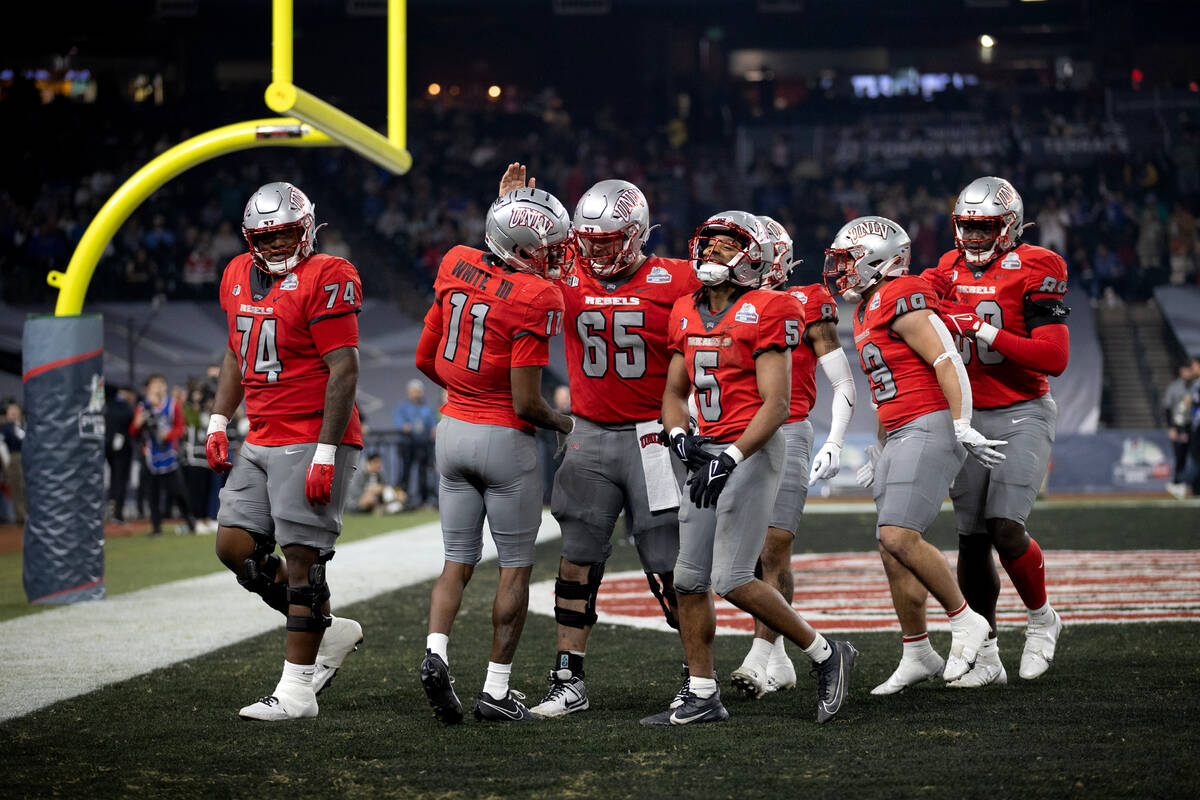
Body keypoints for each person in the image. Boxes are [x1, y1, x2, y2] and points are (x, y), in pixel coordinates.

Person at [497, 165, 702, 718]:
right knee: (576, 558)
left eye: (610, 241)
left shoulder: (678, 277)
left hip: (653, 438)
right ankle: (569, 679)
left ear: (637, 233)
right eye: (588, 242)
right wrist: (514, 210)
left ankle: (697, 677)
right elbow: (513, 261)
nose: (597, 252)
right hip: (587, 433)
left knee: (669, 563)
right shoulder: (565, 275)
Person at [644, 210, 856, 727]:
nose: (712, 250)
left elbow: (778, 404)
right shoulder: (683, 310)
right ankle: (702, 693)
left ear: (753, 256)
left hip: (753, 450)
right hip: (706, 450)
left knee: (733, 577)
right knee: (689, 580)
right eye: (709, 242)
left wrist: (730, 457)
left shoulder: (772, 306)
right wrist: (678, 436)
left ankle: (828, 654)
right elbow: (673, 392)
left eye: (726, 244)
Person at [204, 182, 365, 721]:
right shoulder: (233, 274)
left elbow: (344, 369)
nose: (276, 245)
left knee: (302, 560)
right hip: (262, 434)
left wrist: (326, 451)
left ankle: (297, 691)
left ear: (308, 228)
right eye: (266, 236)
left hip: (311, 434)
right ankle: (327, 626)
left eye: (286, 234)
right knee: (233, 547)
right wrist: (218, 420)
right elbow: (234, 350)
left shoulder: (328, 274)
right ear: (252, 237)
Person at [415, 187, 574, 724]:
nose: (554, 257)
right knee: (513, 570)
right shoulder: (537, 296)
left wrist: (466, 392)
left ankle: (435, 653)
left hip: (452, 430)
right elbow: (529, 403)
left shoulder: (456, 260)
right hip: (505, 439)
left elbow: (425, 357)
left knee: (455, 563)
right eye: (546, 247)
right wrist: (562, 422)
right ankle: (496, 691)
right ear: (521, 247)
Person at [822, 215, 994, 696]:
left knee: (900, 536)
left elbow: (945, 359)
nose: (841, 269)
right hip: (898, 429)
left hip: (929, 423)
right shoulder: (866, 308)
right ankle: (918, 650)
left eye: (848, 260)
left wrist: (961, 422)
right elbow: (884, 390)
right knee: (889, 545)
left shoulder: (900, 293)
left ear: (879, 259)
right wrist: (877, 445)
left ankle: (966, 621)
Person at [920, 177, 1070, 687]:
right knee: (971, 539)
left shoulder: (1039, 265)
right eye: (967, 226)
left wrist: (982, 329)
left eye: (985, 227)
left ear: (1008, 225)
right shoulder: (944, 268)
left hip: (1022, 409)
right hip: (966, 415)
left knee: (1006, 527)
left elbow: (1055, 357)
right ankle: (985, 653)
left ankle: (1042, 619)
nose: (974, 237)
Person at [729, 216, 857, 699]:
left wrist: (836, 440)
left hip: (788, 429)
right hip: (733, 434)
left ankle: (762, 655)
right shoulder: (722, 302)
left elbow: (842, 380)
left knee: (774, 547)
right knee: (737, 558)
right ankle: (779, 658)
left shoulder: (807, 301)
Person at [130, 374, 196, 537]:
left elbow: (181, 428)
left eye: (161, 384)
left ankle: (190, 521)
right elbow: (133, 431)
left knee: (179, 491)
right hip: (151, 456)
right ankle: (156, 527)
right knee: (152, 494)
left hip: (169, 455)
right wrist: (138, 423)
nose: (158, 387)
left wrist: (168, 435)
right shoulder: (143, 406)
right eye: (154, 384)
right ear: (148, 388)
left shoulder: (172, 405)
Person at [393, 379, 437, 509]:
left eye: (418, 391)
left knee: (423, 473)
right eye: (414, 391)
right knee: (404, 473)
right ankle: (402, 500)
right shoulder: (402, 407)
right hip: (407, 445)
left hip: (423, 445)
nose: (416, 394)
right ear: (409, 392)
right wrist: (408, 427)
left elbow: (433, 424)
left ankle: (423, 500)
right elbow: (400, 424)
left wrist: (433, 429)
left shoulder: (426, 409)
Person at [104, 387, 137, 523]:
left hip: (109, 445)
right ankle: (117, 512)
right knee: (120, 479)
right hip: (122, 447)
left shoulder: (108, 405)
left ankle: (112, 505)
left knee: (114, 478)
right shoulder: (125, 407)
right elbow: (131, 424)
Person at [1164, 362, 1195, 498]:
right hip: (1180, 426)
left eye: (1190, 370)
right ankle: (1177, 483)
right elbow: (1167, 408)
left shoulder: (1196, 386)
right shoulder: (1174, 387)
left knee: (1195, 456)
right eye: (1185, 370)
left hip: (1193, 426)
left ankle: (1194, 486)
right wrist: (1172, 427)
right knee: (1180, 456)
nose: (1188, 373)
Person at [1, 401, 26, 524]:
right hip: (14, 458)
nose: (14, 413)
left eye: (15, 410)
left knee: (27, 487)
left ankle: (28, 515)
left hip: (28, 457)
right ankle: (20, 517)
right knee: (17, 488)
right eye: (11, 411)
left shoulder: (25, 425)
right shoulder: (5, 428)